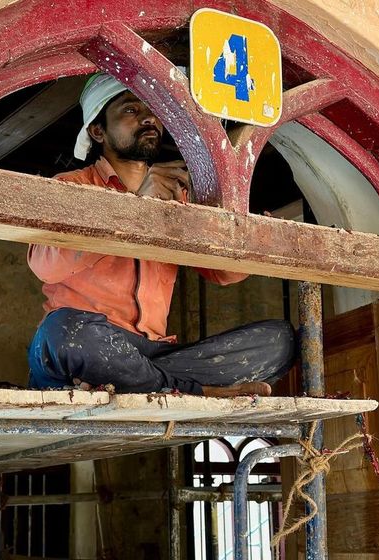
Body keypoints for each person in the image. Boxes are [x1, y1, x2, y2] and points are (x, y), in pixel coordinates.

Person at [27, 72, 295, 397]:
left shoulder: (177, 197)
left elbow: (223, 273)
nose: (148, 118)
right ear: (98, 131)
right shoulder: (70, 186)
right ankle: (199, 392)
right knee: (63, 333)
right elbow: (46, 265)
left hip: (150, 356)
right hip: (86, 341)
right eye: (130, 110)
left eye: (152, 110)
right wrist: (136, 207)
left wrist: (252, 239)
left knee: (279, 341)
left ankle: (147, 384)